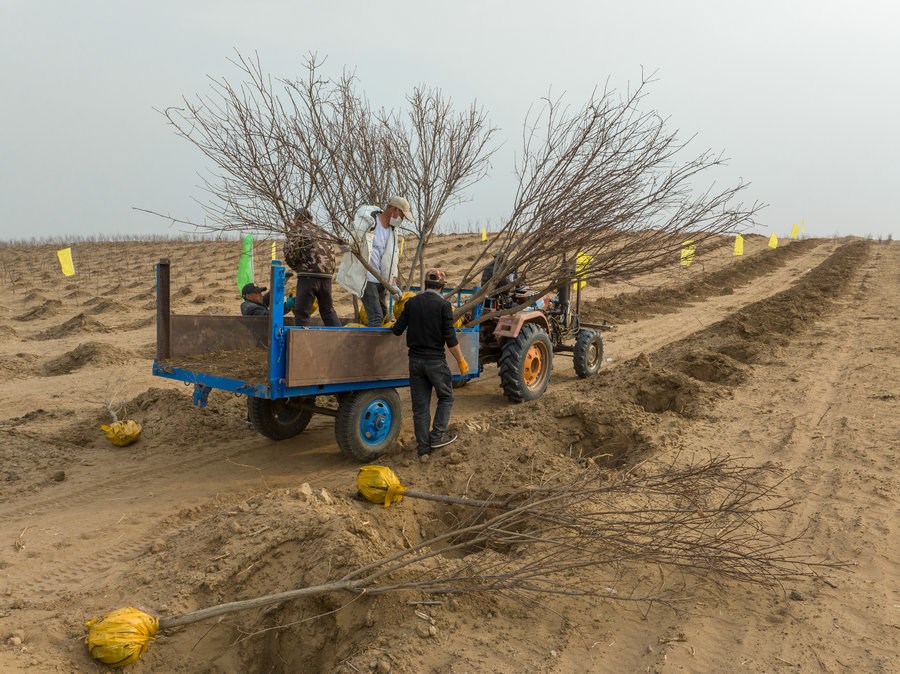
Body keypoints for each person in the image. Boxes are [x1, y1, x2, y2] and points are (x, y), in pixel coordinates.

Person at [392, 268, 469, 457]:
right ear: (442, 287)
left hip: (415, 362)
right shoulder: (444, 306)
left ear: (425, 285)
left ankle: (423, 448)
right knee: (446, 397)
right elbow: (450, 339)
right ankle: (437, 437)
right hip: (435, 361)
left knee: (420, 406)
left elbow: (397, 330)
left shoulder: (412, 303)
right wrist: (461, 360)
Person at [336, 196, 414, 327]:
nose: (402, 220)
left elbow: (392, 259)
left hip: (380, 280)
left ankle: (376, 345)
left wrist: (392, 283)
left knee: (383, 315)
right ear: (394, 209)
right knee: (376, 316)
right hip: (366, 277)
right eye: (402, 215)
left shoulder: (392, 231)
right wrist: (346, 245)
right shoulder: (368, 222)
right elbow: (352, 240)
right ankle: (370, 346)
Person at [284, 208, 341, 326]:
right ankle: (338, 339)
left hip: (308, 275)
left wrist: (297, 268)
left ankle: (302, 342)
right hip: (327, 275)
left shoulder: (298, 231)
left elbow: (290, 253)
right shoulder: (323, 231)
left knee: (302, 312)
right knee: (328, 311)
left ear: (297, 219)